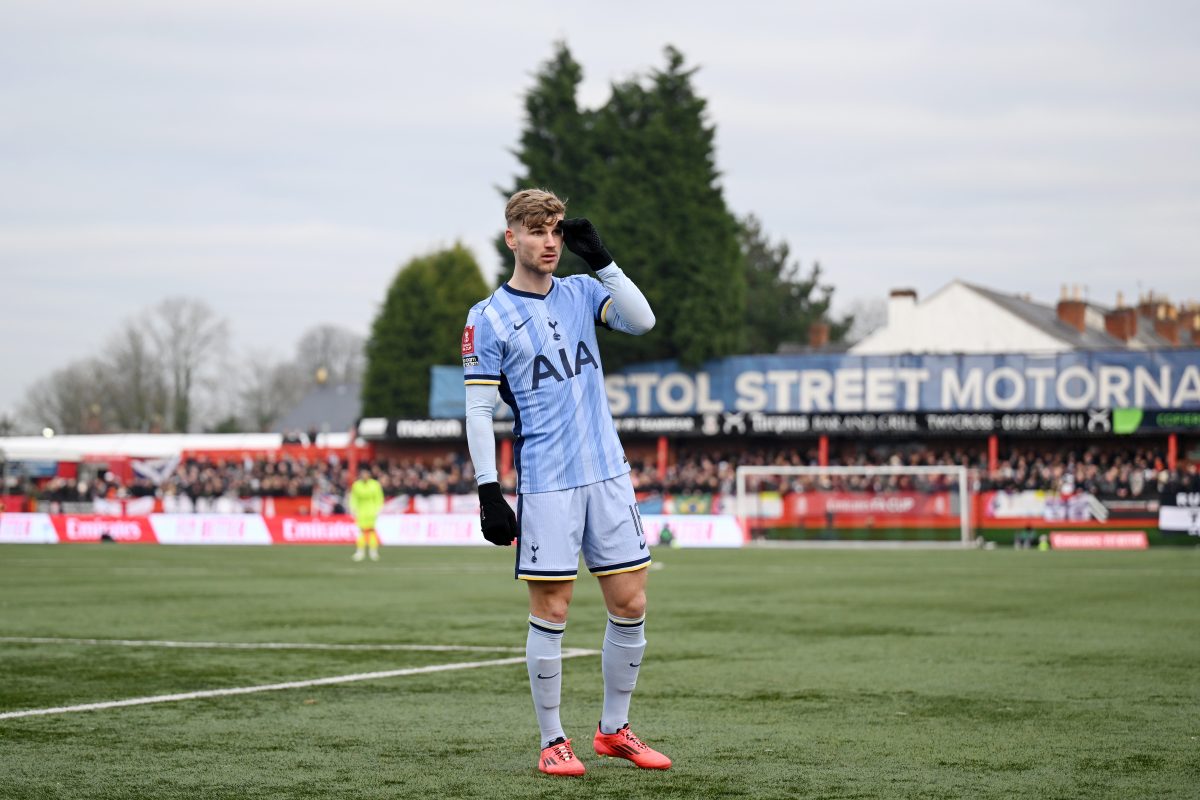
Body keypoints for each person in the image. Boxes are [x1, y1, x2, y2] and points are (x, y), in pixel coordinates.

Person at [462, 188, 670, 776]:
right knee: (552, 609)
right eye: (536, 231)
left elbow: (642, 319)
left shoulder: (582, 292)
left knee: (631, 602)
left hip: (607, 473)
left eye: (556, 231)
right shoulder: (488, 318)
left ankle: (614, 730)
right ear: (512, 238)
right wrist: (488, 488)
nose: (549, 242)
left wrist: (601, 259)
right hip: (548, 482)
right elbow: (478, 412)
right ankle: (554, 741)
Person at [348, 464, 383, 561]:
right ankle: (360, 552)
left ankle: (373, 552)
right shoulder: (356, 485)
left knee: (371, 531)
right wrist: (353, 508)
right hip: (361, 511)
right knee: (362, 532)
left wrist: (378, 509)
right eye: (363, 474)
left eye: (366, 474)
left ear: (369, 475)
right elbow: (354, 498)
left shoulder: (375, 484)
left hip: (371, 511)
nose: (364, 476)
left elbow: (379, 497)